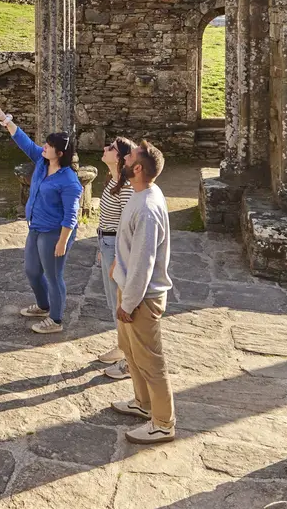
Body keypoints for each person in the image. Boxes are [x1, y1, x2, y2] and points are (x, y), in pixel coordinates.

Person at [0, 105, 80, 334]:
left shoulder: (69, 181)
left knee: (53, 275)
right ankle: (43, 306)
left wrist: (63, 241)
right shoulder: (42, 163)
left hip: (55, 232)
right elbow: (25, 142)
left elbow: (72, 215)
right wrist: (6, 121)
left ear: (60, 153)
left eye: (50, 146)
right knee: (32, 271)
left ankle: (56, 320)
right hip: (36, 227)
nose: (45, 147)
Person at [110, 140, 175, 444]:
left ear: (137, 169)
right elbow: (131, 250)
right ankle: (142, 403)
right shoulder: (142, 193)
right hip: (130, 290)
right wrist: (117, 270)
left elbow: (144, 262)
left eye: (130, 156)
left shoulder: (147, 207)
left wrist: (130, 301)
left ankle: (163, 423)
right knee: (131, 352)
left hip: (142, 298)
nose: (124, 158)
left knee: (150, 360)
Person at [93, 137, 136, 378]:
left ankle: (130, 360)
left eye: (111, 148)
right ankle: (122, 348)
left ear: (120, 157)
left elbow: (127, 225)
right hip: (106, 241)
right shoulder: (112, 180)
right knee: (113, 302)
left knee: (121, 303)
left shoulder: (126, 186)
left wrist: (118, 259)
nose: (105, 149)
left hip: (116, 246)